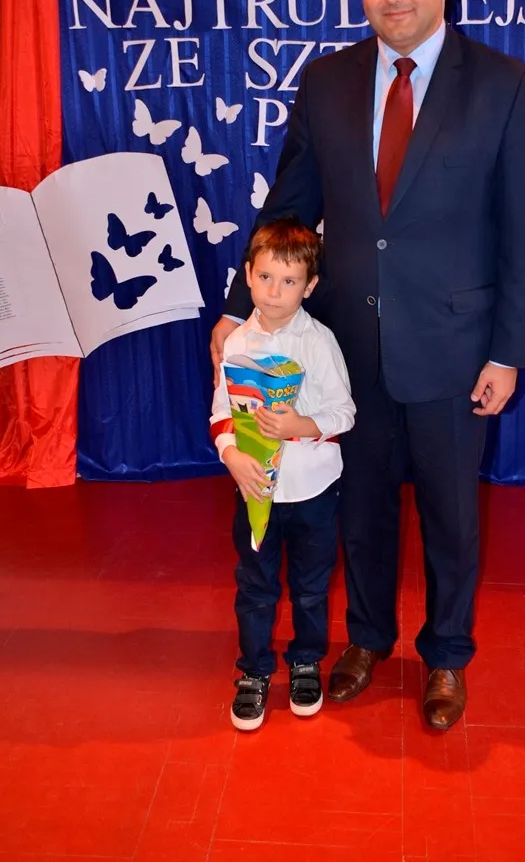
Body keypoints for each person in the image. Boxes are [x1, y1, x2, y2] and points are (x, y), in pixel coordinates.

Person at [212, 0, 525, 730]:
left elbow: (524, 232)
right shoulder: (326, 81)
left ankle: (446, 656)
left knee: (450, 517)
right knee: (359, 508)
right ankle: (366, 640)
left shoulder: (506, 85)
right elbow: (289, 205)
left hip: (455, 348)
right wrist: (238, 306)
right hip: (347, 349)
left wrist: (507, 352)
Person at [210, 217, 355, 731]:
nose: (275, 292)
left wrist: (300, 425)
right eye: (266, 277)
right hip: (254, 490)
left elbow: (344, 413)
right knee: (255, 586)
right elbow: (221, 411)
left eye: (289, 281)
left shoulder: (319, 342)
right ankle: (253, 670)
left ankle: (306, 661)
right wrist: (230, 455)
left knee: (311, 587)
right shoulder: (235, 343)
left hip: (312, 490)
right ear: (248, 275)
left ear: (309, 286)